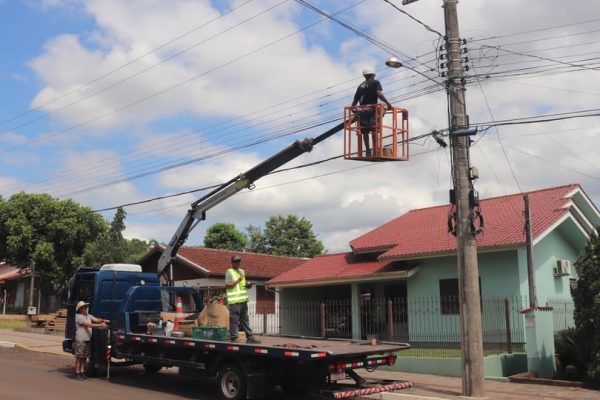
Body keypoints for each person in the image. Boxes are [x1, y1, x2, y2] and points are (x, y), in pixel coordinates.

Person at [351, 66, 393, 157]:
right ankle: (375, 150)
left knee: (365, 131)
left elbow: (354, 101)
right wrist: (388, 104)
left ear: (364, 76)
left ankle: (368, 151)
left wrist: (353, 110)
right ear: (373, 75)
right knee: (374, 129)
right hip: (372, 109)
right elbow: (379, 93)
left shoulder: (360, 86)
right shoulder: (375, 82)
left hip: (361, 111)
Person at [225, 255, 260, 344]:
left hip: (243, 300)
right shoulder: (229, 272)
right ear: (232, 263)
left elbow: (242, 285)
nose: (238, 263)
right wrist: (238, 280)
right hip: (234, 301)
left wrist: (248, 285)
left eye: (239, 261)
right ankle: (234, 338)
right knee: (234, 320)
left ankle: (250, 337)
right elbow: (227, 285)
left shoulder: (242, 271)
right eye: (236, 262)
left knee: (245, 319)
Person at [73, 301, 109, 380]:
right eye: (84, 307)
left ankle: (82, 372)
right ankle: (77, 373)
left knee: (84, 357)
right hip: (80, 340)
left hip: (87, 340)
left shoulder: (88, 316)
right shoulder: (78, 316)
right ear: (80, 309)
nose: (86, 308)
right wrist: (100, 325)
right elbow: (88, 325)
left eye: (86, 307)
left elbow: (96, 320)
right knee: (79, 357)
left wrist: (104, 320)